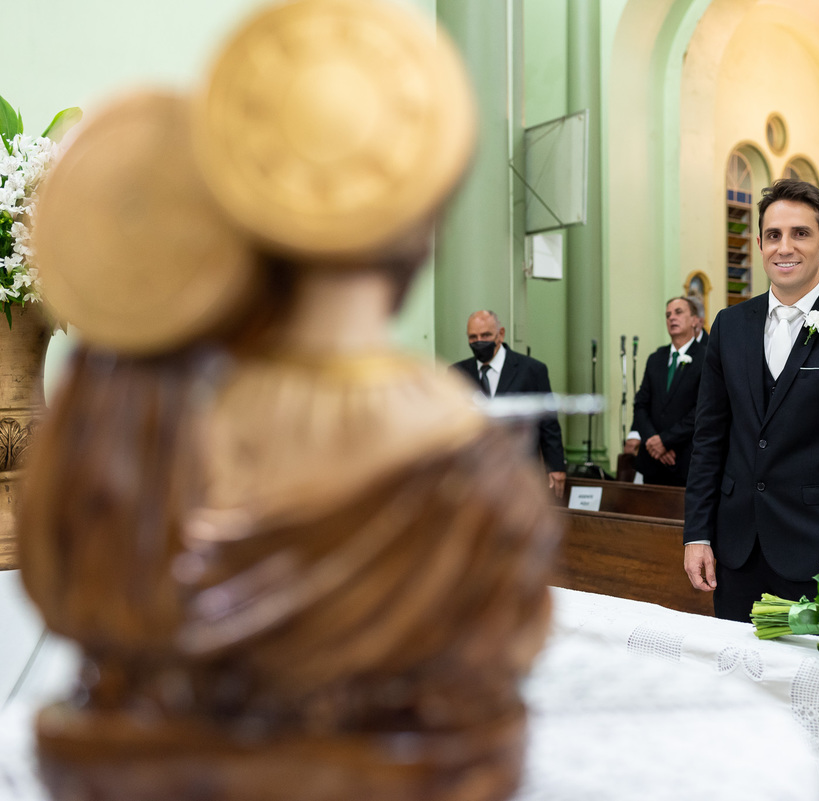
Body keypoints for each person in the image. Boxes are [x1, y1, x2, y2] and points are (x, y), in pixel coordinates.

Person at [17, 3, 559, 798]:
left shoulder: (138, 422)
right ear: (419, 229)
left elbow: (69, 580)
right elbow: (506, 637)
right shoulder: (470, 472)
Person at [683, 179, 819, 621]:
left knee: (811, 690)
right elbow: (709, 438)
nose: (785, 247)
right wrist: (697, 534)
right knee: (737, 679)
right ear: (759, 243)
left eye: (800, 233)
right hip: (737, 550)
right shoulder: (729, 325)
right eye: (774, 235)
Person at [451, 310, 567, 498]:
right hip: (474, 474)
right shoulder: (458, 373)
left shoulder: (531, 370)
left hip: (520, 471)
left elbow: (548, 423)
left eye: (486, 335)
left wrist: (555, 467)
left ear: (501, 334)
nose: (479, 341)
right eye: (473, 337)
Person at [623, 297, 706, 486]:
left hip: (685, 459)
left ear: (695, 320)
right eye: (668, 315)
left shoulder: (706, 358)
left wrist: (665, 441)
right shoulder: (656, 358)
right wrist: (653, 442)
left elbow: (702, 410)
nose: (672, 318)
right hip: (652, 461)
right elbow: (641, 404)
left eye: (678, 312)